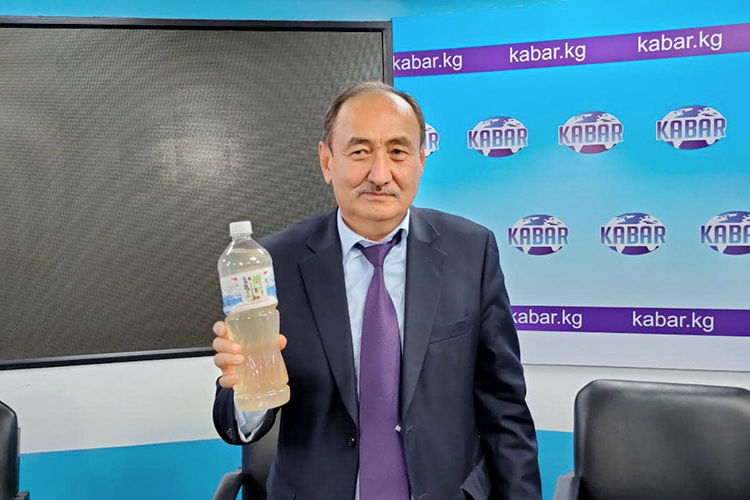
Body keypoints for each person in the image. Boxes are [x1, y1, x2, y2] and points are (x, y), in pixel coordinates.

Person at [213, 81, 542, 500]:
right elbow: (234, 424)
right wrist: (248, 386)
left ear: (420, 162)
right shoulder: (273, 262)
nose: (380, 175)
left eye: (398, 152)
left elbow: (504, 407)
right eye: (360, 152)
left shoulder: (471, 251)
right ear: (327, 162)